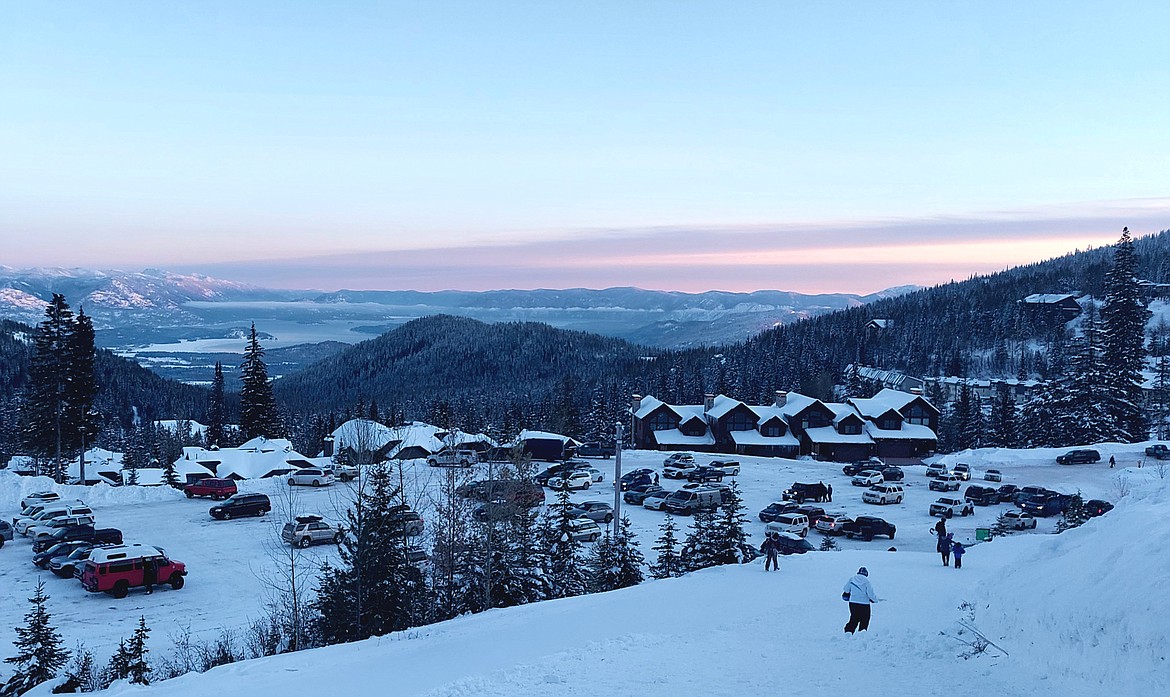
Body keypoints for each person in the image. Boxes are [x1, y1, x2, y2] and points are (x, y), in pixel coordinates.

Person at [842, 567, 879, 633]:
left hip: (853, 603)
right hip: (864, 604)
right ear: (866, 574)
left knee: (854, 617)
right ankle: (862, 633)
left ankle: (848, 632)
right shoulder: (866, 581)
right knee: (865, 619)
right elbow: (870, 594)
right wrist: (875, 600)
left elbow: (846, 589)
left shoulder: (852, 579)